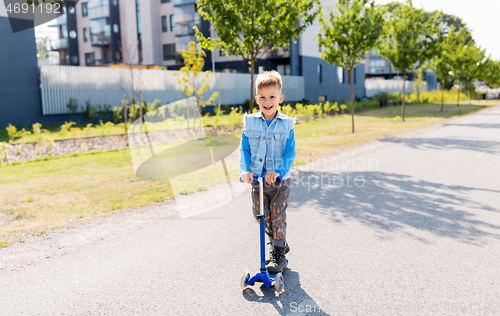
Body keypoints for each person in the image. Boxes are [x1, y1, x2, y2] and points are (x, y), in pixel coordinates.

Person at [239, 70, 296, 273]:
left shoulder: (287, 124)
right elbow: (244, 149)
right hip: (258, 180)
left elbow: (290, 152)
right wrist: (245, 170)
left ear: (280, 98)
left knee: (277, 215)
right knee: (260, 215)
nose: (267, 101)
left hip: (280, 182)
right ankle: (279, 241)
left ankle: (278, 253)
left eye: (272, 97)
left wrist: (279, 171)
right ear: (257, 99)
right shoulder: (250, 122)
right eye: (262, 97)